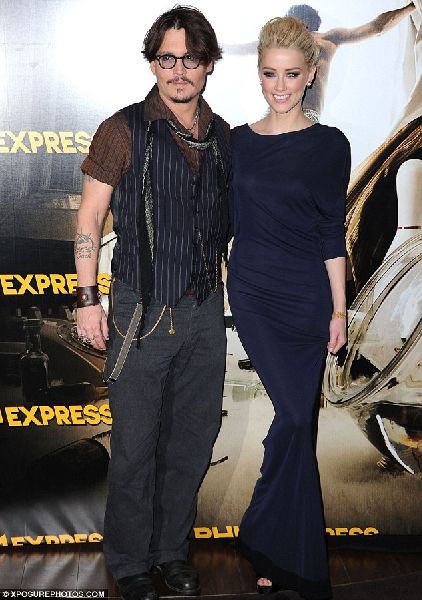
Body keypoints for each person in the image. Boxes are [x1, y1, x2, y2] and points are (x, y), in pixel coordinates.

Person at [74, 6, 230, 600]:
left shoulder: (223, 136)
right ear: (152, 63)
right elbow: (90, 216)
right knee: (136, 447)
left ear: (208, 65)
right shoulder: (122, 129)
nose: (179, 70)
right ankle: (130, 560)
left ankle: (170, 552)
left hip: (205, 311)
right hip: (141, 310)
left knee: (191, 442)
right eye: (168, 58)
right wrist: (87, 299)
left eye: (191, 59)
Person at [227, 16, 351, 600]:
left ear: (311, 75)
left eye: (292, 74)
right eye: (269, 74)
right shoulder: (235, 143)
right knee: (297, 419)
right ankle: (278, 546)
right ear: (258, 74)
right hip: (254, 293)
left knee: (295, 422)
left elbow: (331, 231)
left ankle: (264, 537)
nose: (280, 86)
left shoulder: (330, 145)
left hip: (307, 298)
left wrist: (339, 311)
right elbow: (218, 222)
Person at [224, 2, 415, 121]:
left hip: (302, 114)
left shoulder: (323, 39)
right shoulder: (289, 41)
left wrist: (412, 6)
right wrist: (411, 7)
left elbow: (377, 27)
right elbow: (377, 27)